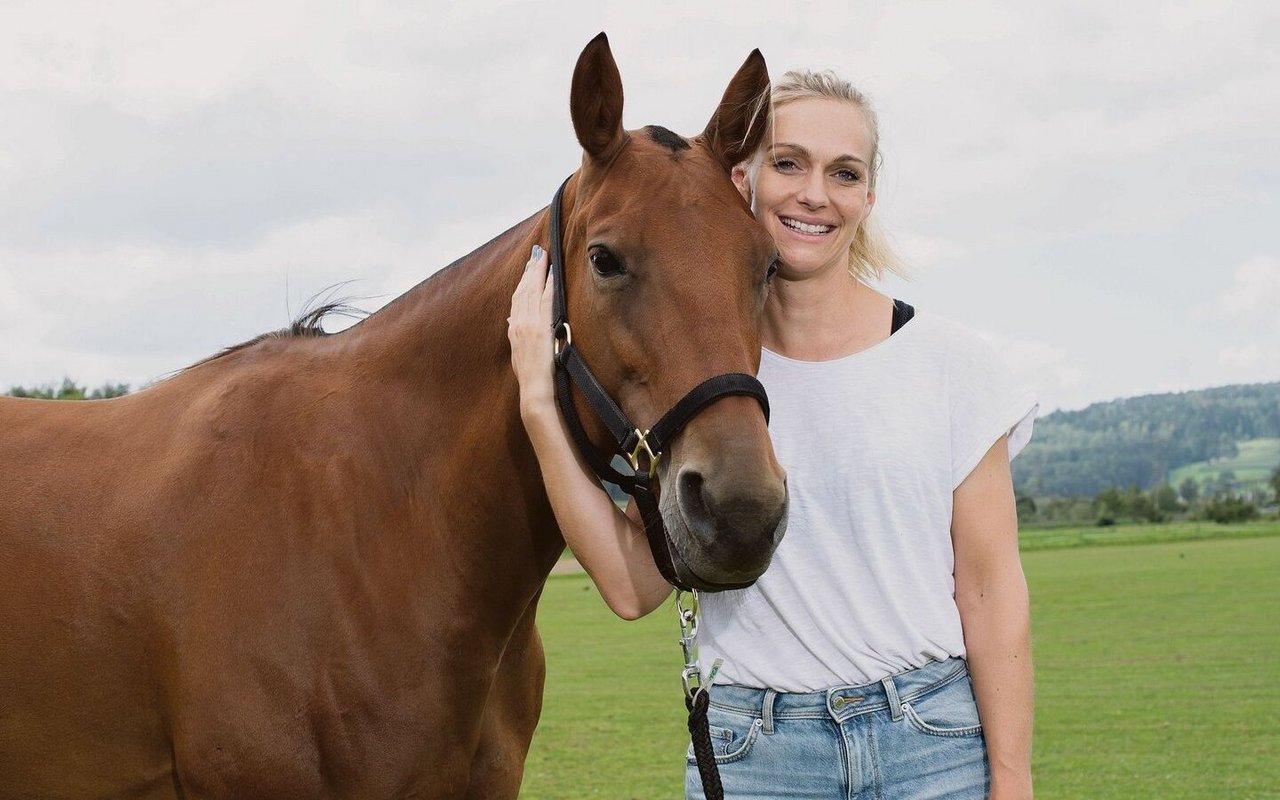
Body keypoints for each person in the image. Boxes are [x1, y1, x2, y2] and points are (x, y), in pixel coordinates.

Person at [508, 69, 1037, 800]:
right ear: (742, 177)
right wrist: (539, 401)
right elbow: (633, 585)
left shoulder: (952, 364)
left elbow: (990, 589)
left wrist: (1012, 779)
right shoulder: (709, 384)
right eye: (789, 163)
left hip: (932, 748)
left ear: (867, 198)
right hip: (758, 755)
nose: (814, 193)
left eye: (843, 172)